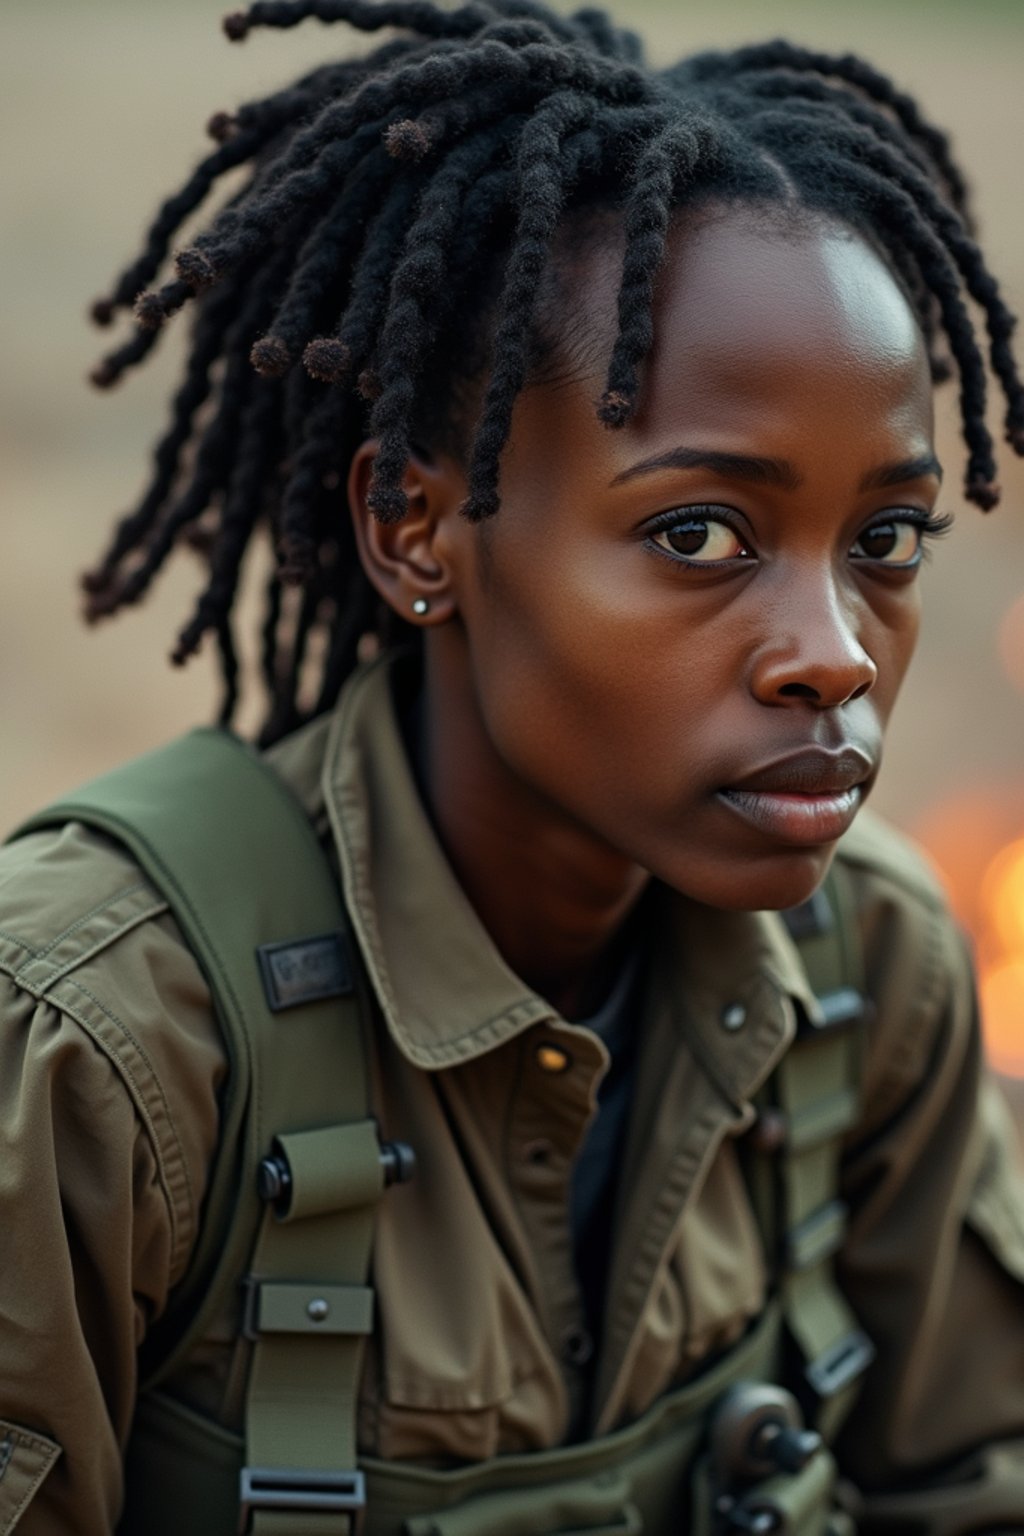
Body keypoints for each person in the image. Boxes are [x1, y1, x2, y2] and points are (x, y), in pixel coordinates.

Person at [2, 1, 1023, 1531]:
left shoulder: (874, 969)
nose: (838, 654)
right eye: (699, 534)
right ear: (417, 529)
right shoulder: (102, 1046)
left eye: (884, 541)